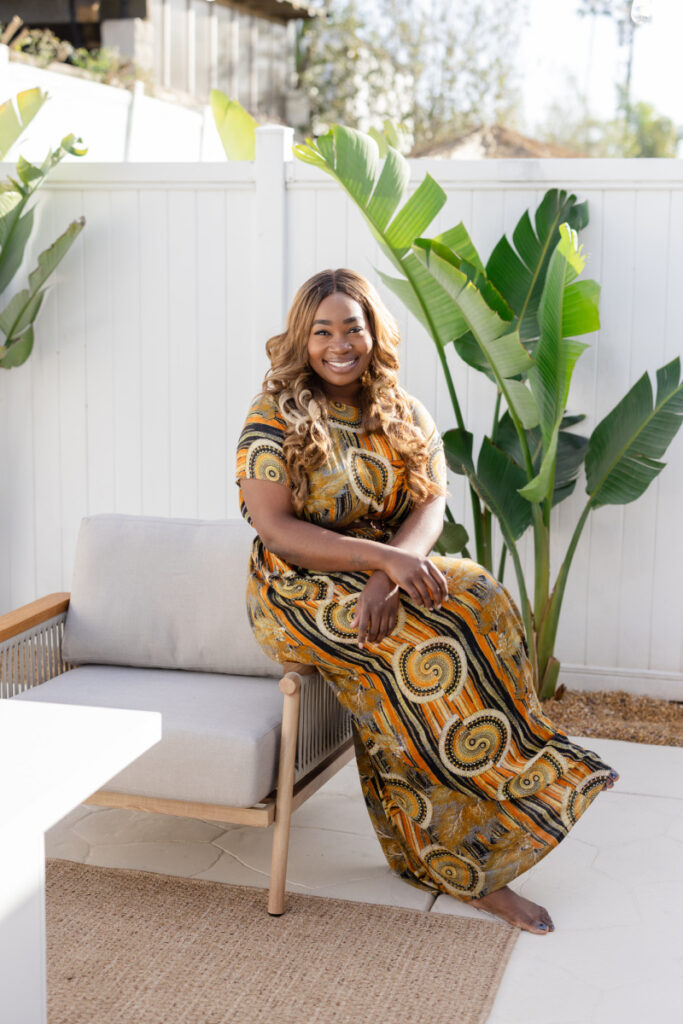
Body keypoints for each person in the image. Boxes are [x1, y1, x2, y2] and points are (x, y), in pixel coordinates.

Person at [235, 268, 619, 935]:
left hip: (381, 569)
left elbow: (429, 504)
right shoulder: (275, 413)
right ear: (302, 338)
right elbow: (275, 527)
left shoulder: (401, 408)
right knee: (419, 656)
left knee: (480, 593)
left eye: (351, 327)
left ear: (371, 331)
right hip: (297, 586)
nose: (337, 344)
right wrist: (383, 563)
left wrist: (389, 572)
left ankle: (509, 777)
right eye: (321, 330)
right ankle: (474, 854)